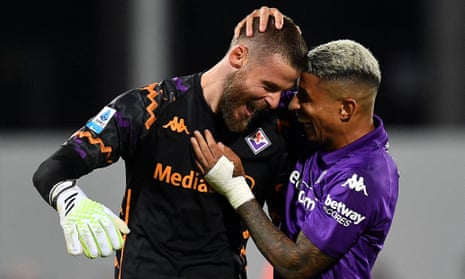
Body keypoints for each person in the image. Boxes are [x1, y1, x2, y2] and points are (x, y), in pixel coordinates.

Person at [31, 8, 308, 279]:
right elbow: (53, 168)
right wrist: (70, 200)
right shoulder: (152, 107)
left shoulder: (278, 132)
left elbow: (286, 240)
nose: (274, 100)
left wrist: (239, 188)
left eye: (283, 91)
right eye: (269, 87)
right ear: (238, 56)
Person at [191, 9, 400, 279]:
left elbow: (297, 265)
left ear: (346, 110)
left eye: (304, 98)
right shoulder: (316, 128)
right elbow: (262, 82)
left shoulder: (366, 177)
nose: (291, 104)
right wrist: (265, 31)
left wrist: (235, 187)